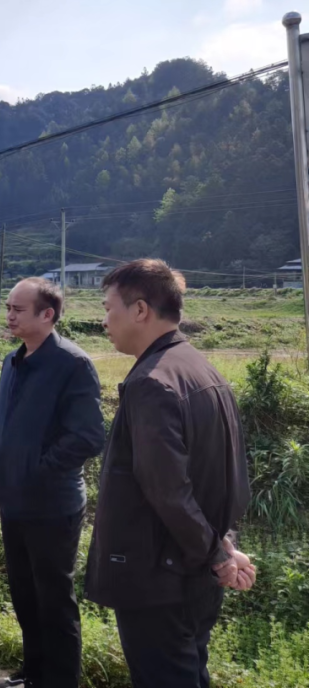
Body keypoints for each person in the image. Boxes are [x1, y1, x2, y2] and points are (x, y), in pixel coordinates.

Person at [85, 259, 254, 688]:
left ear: (140, 310)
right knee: (189, 672)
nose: (104, 321)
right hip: (195, 572)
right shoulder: (202, 369)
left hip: (158, 577)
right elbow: (226, 479)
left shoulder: (152, 382)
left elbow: (168, 492)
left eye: (109, 309)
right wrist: (223, 546)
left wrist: (218, 553)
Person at [0, 278, 105, 688]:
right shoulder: (13, 361)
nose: (9, 316)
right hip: (13, 501)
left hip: (52, 505)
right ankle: (33, 674)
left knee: (54, 600)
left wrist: (36, 471)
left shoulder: (72, 364)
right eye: (8, 308)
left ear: (47, 314)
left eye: (18, 309)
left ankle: (59, 680)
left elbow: (87, 436)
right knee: (25, 594)